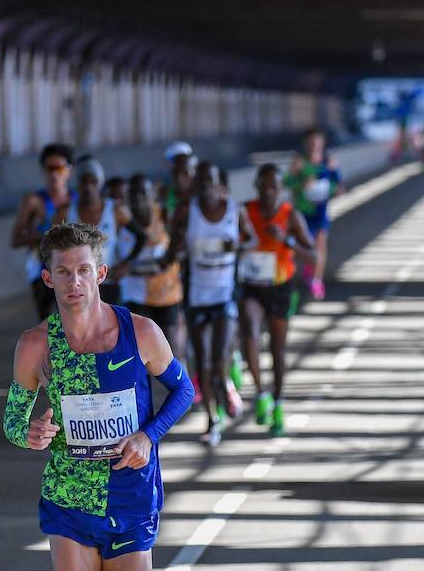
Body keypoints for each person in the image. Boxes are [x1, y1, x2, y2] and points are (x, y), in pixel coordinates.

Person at [3, 221, 194, 571]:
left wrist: (147, 436)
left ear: (101, 273)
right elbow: (15, 420)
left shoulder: (140, 332)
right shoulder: (35, 345)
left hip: (131, 500)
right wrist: (31, 434)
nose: (74, 281)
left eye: (84, 269)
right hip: (68, 501)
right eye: (63, 272)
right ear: (48, 278)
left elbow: (183, 391)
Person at [169, 162, 254, 447]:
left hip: (224, 295)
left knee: (219, 358)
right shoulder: (186, 211)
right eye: (202, 182)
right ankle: (212, 419)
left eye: (212, 181)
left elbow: (251, 238)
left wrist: (238, 245)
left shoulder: (234, 210)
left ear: (220, 184)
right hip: (196, 297)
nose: (206, 187)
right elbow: (173, 244)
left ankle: (225, 384)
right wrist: (178, 249)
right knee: (202, 360)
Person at [239, 164, 316, 436]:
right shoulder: (245, 212)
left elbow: (312, 254)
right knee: (248, 331)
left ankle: (279, 402)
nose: (269, 190)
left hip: (280, 286)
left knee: (277, 349)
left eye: (274, 186)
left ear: (281, 188)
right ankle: (261, 394)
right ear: (257, 186)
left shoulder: (289, 215)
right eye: (264, 185)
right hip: (251, 286)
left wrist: (287, 241)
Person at [114, 175, 185, 359]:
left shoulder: (163, 215)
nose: (138, 199)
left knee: (173, 353)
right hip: (135, 296)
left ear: (152, 194)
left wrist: (131, 268)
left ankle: (184, 388)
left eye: (143, 193)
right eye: (134, 194)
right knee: (138, 355)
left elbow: (174, 253)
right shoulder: (120, 219)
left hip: (167, 295)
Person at [11, 143, 77, 320]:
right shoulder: (33, 201)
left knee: (74, 320)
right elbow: (16, 240)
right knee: (49, 324)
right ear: (42, 171)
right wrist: (49, 236)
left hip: (72, 270)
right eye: (49, 169)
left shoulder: (78, 200)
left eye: (60, 168)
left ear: (69, 171)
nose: (54, 174)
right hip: (42, 270)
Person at [285, 128, 341, 301]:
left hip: (320, 212)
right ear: (305, 144)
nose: (314, 146)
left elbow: (339, 186)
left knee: (320, 246)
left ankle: (316, 280)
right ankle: (299, 274)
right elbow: (286, 183)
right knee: (300, 247)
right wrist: (301, 182)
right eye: (310, 143)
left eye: (317, 142)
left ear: (322, 143)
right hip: (302, 213)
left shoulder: (328, 162)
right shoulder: (299, 163)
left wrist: (329, 187)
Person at [69, 157, 131, 306]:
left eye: (94, 182)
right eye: (84, 182)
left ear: (100, 183)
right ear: (78, 184)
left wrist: (126, 263)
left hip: (108, 282)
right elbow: (50, 246)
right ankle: (52, 329)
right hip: (76, 285)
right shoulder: (66, 212)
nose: (89, 187)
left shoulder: (115, 210)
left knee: (111, 326)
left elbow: (141, 236)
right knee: (69, 326)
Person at [159, 141, 196, 220]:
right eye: (175, 173)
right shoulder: (167, 194)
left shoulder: (201, 193)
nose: (180, 178)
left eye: (184, 172)